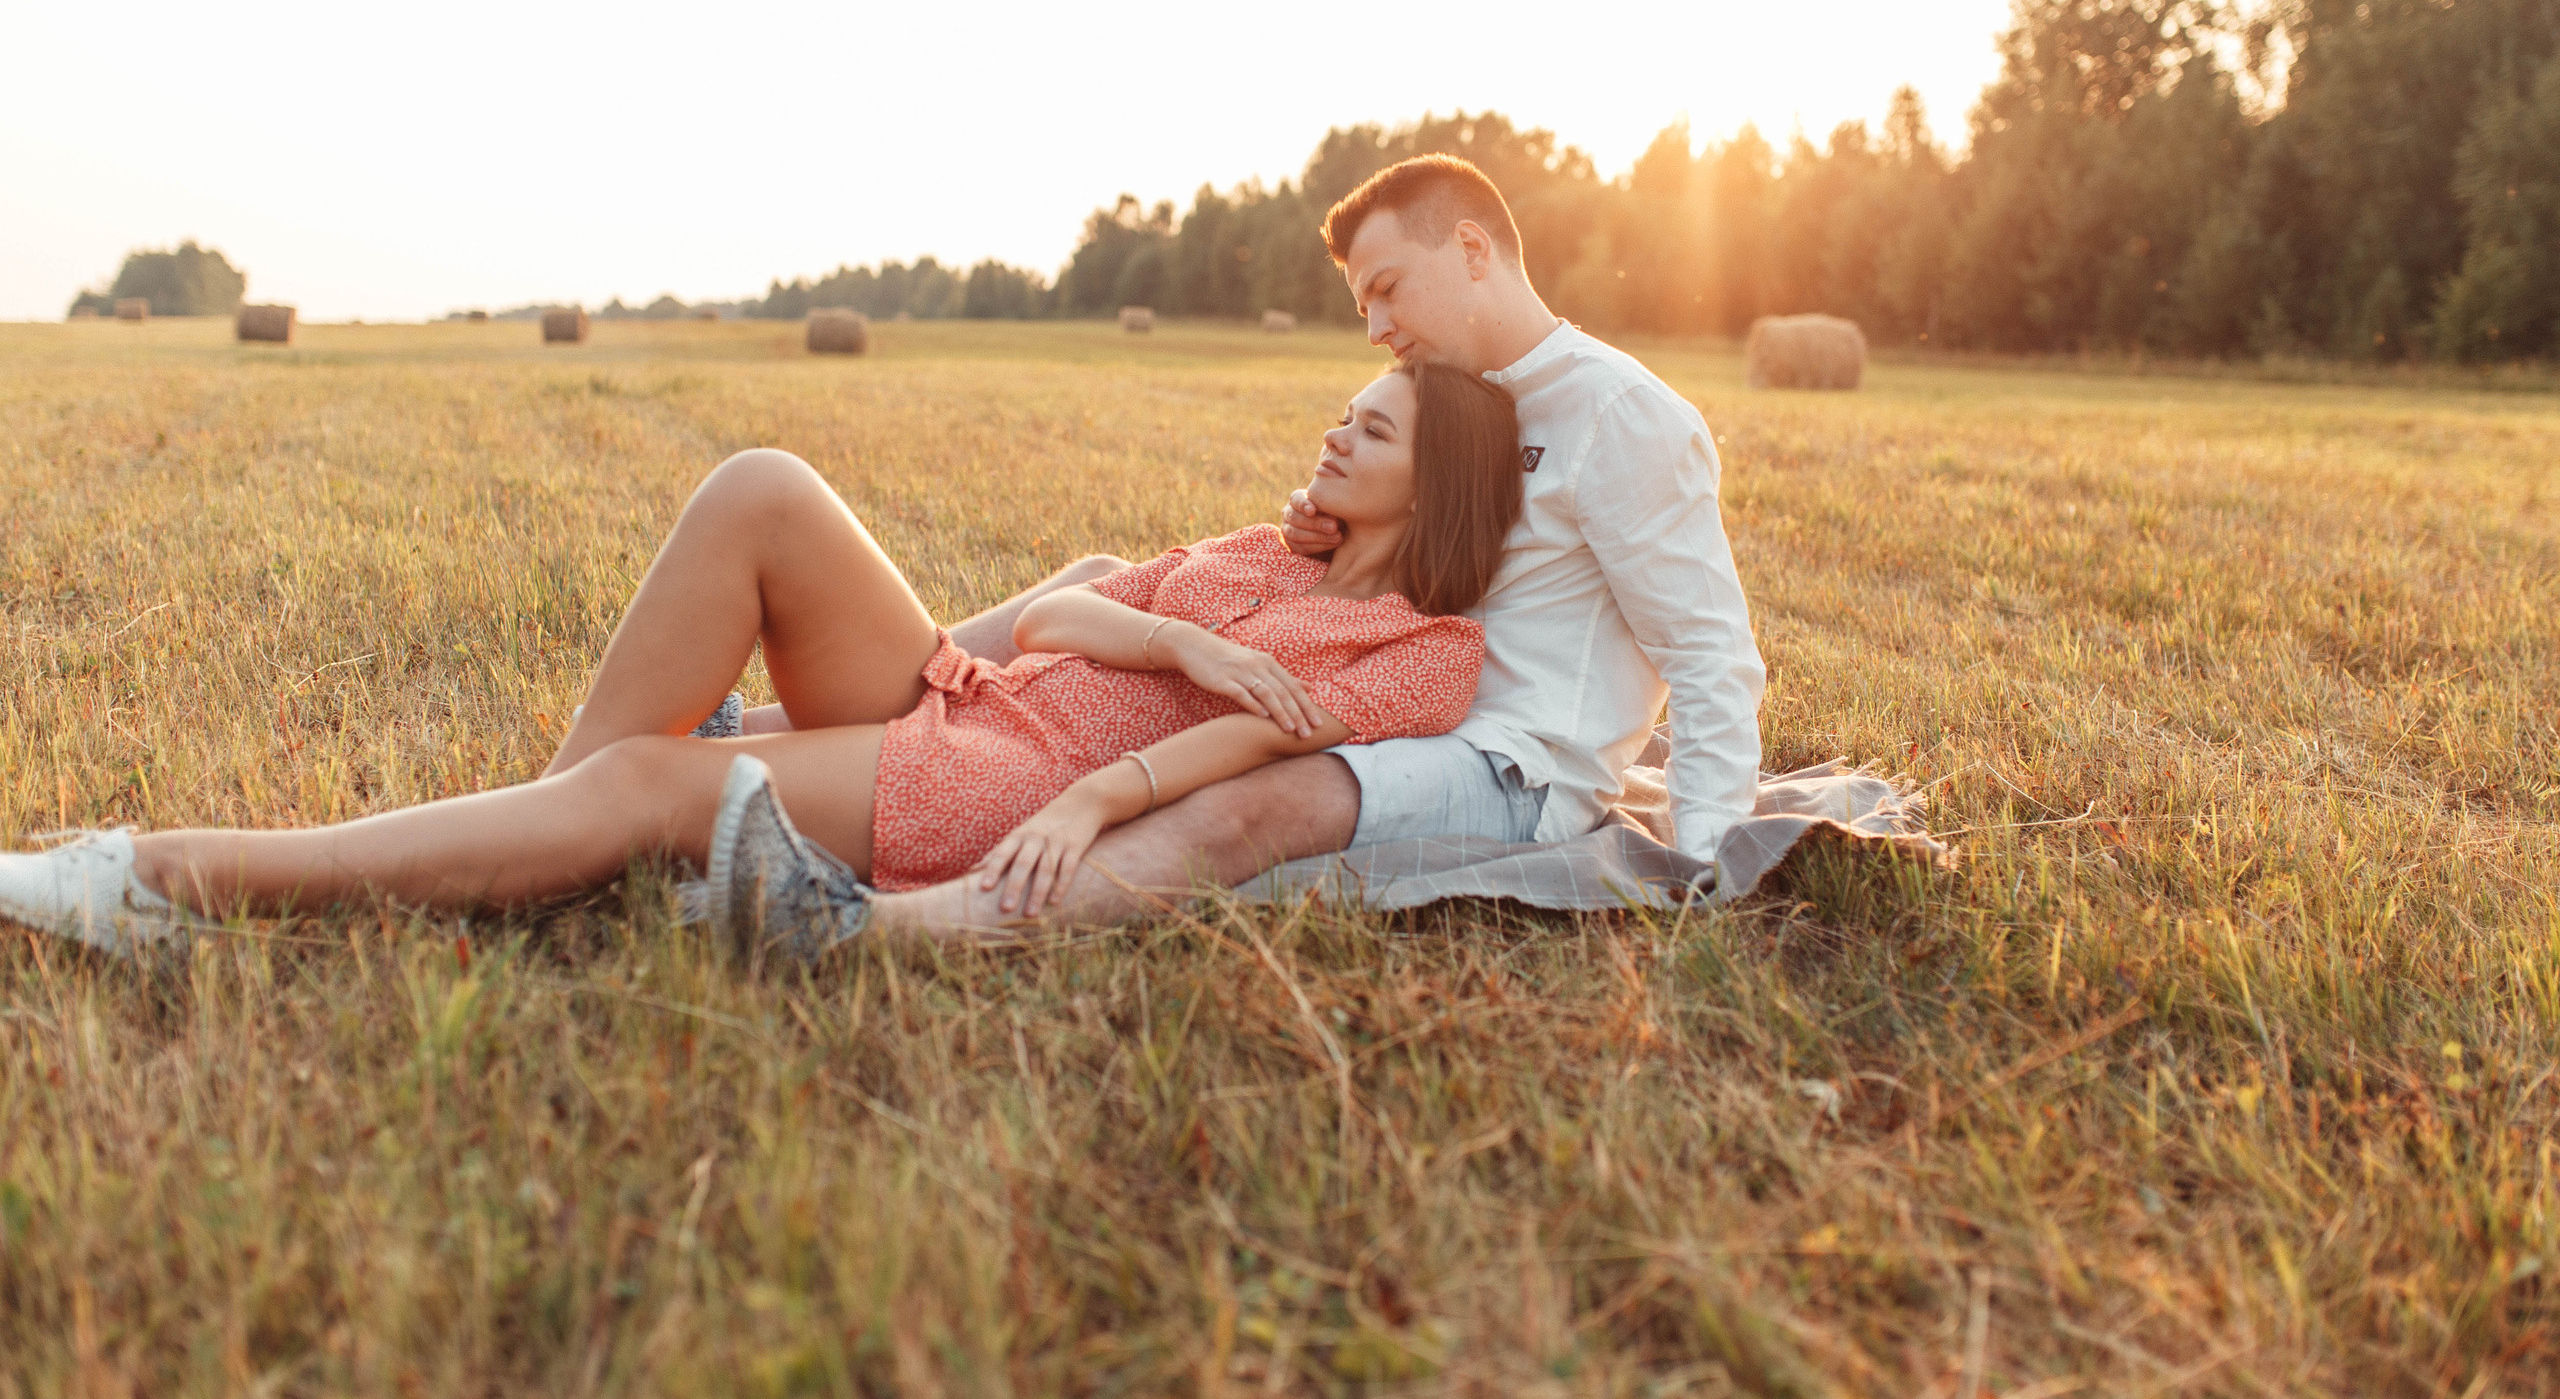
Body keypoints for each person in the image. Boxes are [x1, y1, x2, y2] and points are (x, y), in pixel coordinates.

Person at [0, 360, 1521, 962]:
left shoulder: (1422, 650)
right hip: (967, 691)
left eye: (1373, 426)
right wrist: (1179, 628)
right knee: (763, 484)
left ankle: (159, 875)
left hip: (1002, 774)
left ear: (1433, 483)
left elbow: (1254, 749)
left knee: (649, 776)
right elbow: (1064, 614)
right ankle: (546, 848)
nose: (1335, 429)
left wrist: (1089, 796)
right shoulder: (1272, 554)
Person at [864, 154, 1767, 935]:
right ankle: (874, 710)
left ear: (1471, 251)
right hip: (1382, 684)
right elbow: (1413, 516)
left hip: (1502, 759)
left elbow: (1708, 655)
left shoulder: (1624, 415)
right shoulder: (1458, 391)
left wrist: (1707, 865)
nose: (1375, 327)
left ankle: (887, 926)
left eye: (1386, 289)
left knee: (1262, 797)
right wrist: (1316, 520)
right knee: (1105, 588)